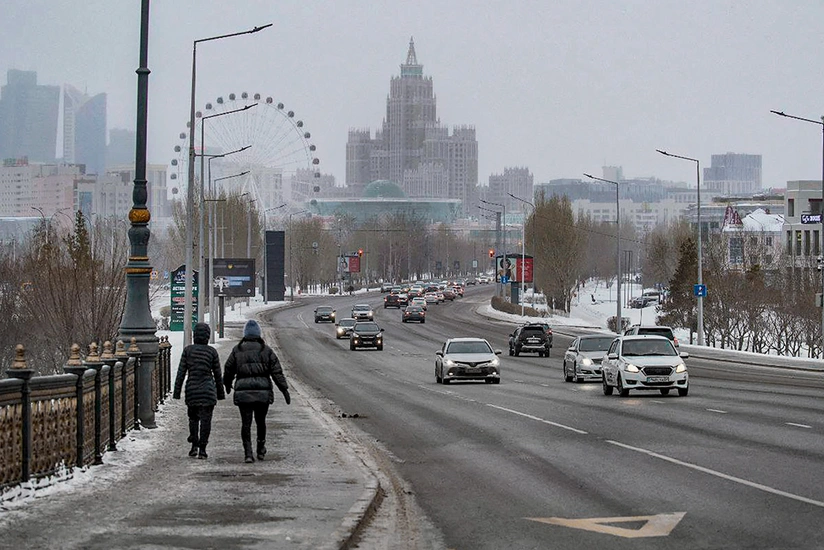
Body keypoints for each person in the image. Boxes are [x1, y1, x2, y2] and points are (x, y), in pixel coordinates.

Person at [223, 319, 291, 463]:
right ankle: (261, 448)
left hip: (243, 393)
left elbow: (228, 369)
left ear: (245, 334)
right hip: (262, 393)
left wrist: (227, 384)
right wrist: (284, 389)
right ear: (258, 334)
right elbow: (276, 372)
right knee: (261, 421)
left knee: (245, 423)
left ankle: (248, 453)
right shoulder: (266, 350)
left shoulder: (237, 350)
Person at [173, 322, 224, 459]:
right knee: (206, 421)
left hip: (192, 391)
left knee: (193, 419)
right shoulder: (212, 352)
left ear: (195, 335)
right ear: (207, 336)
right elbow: (218, 375)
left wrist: (177, 392)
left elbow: (181, 372)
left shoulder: (188, 351)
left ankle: (194, 446)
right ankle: (203, 449)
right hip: (208, 391)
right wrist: (220, 393)